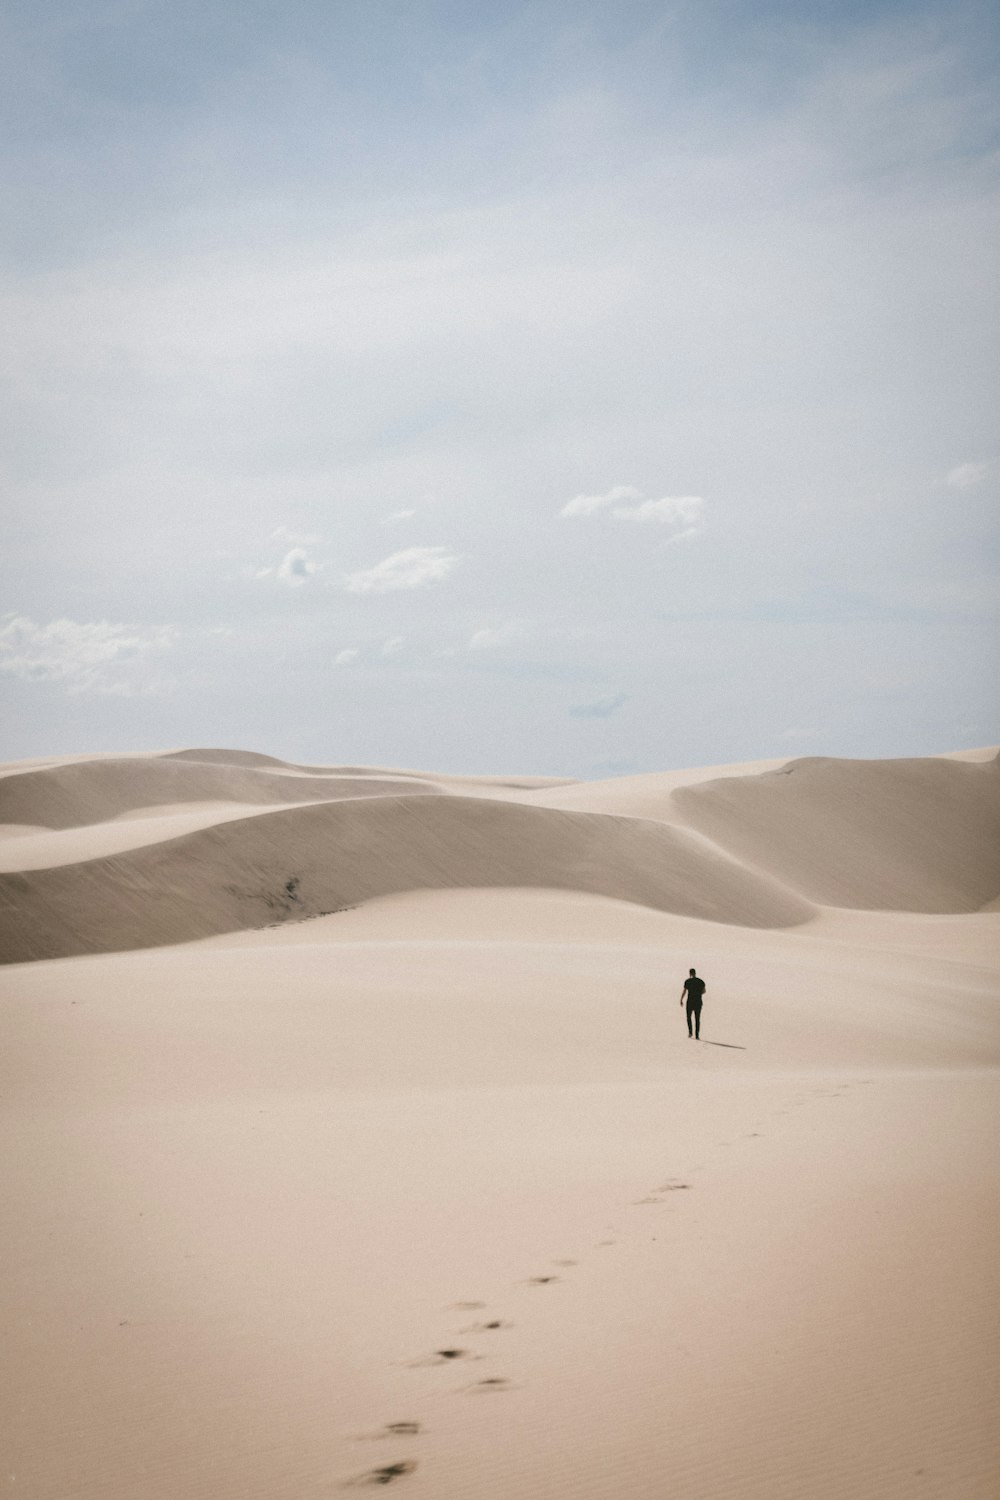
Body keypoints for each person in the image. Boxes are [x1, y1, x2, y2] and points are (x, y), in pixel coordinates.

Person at [680, 968, 706, 1039]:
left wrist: (681, 999)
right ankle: (697, 1035)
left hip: (690, 1002)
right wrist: (698, 993)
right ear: (695, 973)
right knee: (697, 1018)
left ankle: (690, 1032)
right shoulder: (701, 981)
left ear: (690, 973)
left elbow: (684, 991)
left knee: (689, 1017)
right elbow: (704, 991)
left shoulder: (688, 981)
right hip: (698, 1001)